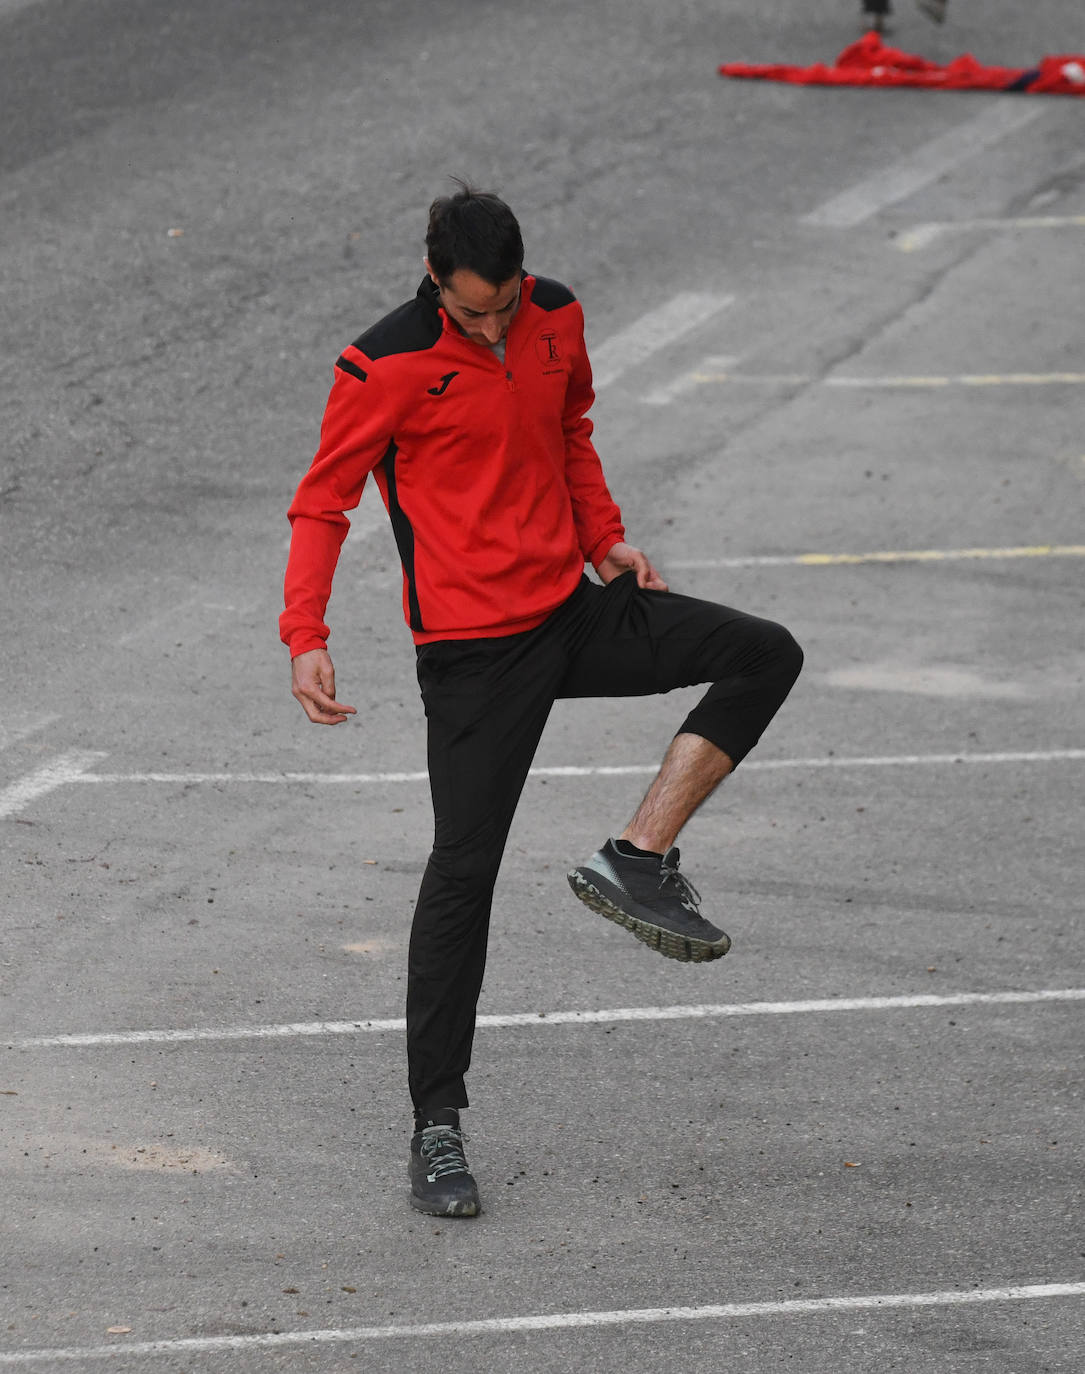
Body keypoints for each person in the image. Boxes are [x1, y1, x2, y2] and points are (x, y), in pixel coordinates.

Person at [280, 185, 803, 1219]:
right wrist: (307, 636)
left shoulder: (553, 314)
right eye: (472, 313)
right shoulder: (381, 364)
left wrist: (604, 536)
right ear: (434, 282)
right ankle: (436, 1124)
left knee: (763, 654)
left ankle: (636, 856)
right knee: (461, 875)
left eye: (504, 303)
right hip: (471, 656)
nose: (493, 324)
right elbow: (322, 499)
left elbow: (569, 429)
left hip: (571, 609)